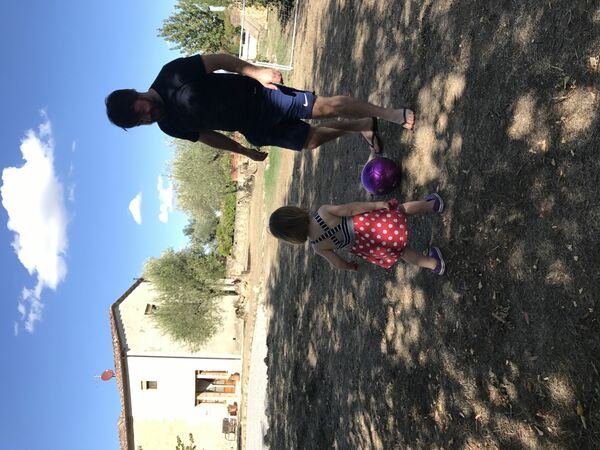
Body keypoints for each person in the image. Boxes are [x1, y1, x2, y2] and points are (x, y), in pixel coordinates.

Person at [105, 54, 415, 161]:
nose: (147, 117)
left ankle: (387, 114)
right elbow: (208, 136)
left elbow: (218, 60)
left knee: (326, 107)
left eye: (140, 111)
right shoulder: (168, 126)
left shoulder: (170, 75)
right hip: (252, 128)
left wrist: (256, 72)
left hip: (261, 96)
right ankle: (361, 125)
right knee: (310, 141)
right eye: (140, 122)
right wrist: (244, 151)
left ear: (135, 94)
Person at [268, 194, 446, 274]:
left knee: (402, 252)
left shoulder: (318, 246)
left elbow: (337, 263)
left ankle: (434, 264)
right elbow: (351, 209)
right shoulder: (323, 212)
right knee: (400, 210)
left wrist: (349, 266)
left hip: (365, 245)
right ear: (294, 211)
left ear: (291, 237)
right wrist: (376, 205)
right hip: (368, 225)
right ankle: (433, 205)